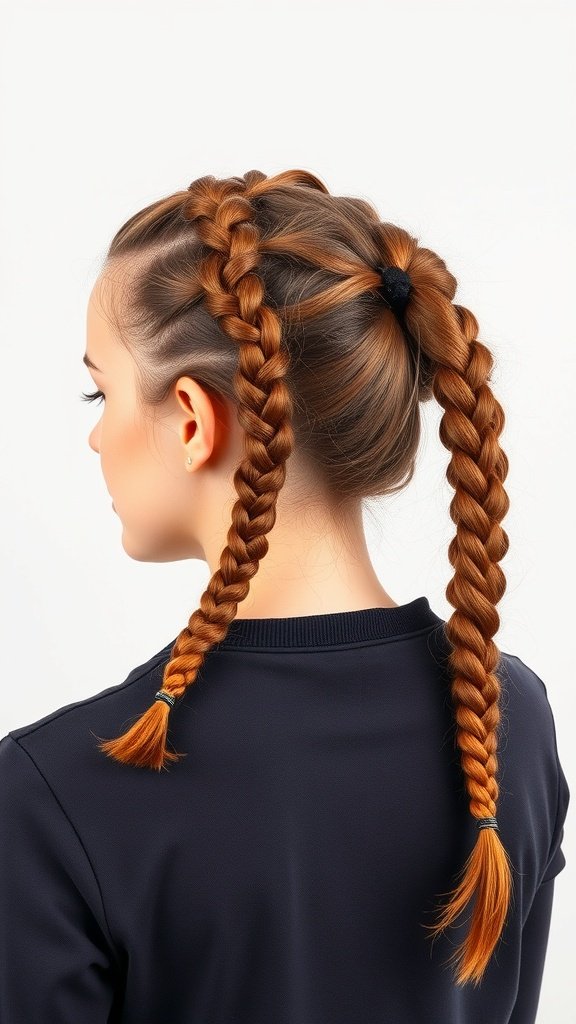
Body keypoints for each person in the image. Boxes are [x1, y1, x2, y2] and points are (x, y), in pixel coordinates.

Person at [0, 167, 569, 1022]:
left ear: (192, 420)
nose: (93, 433)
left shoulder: (57, 794)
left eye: (101, 391)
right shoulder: (505, 720)